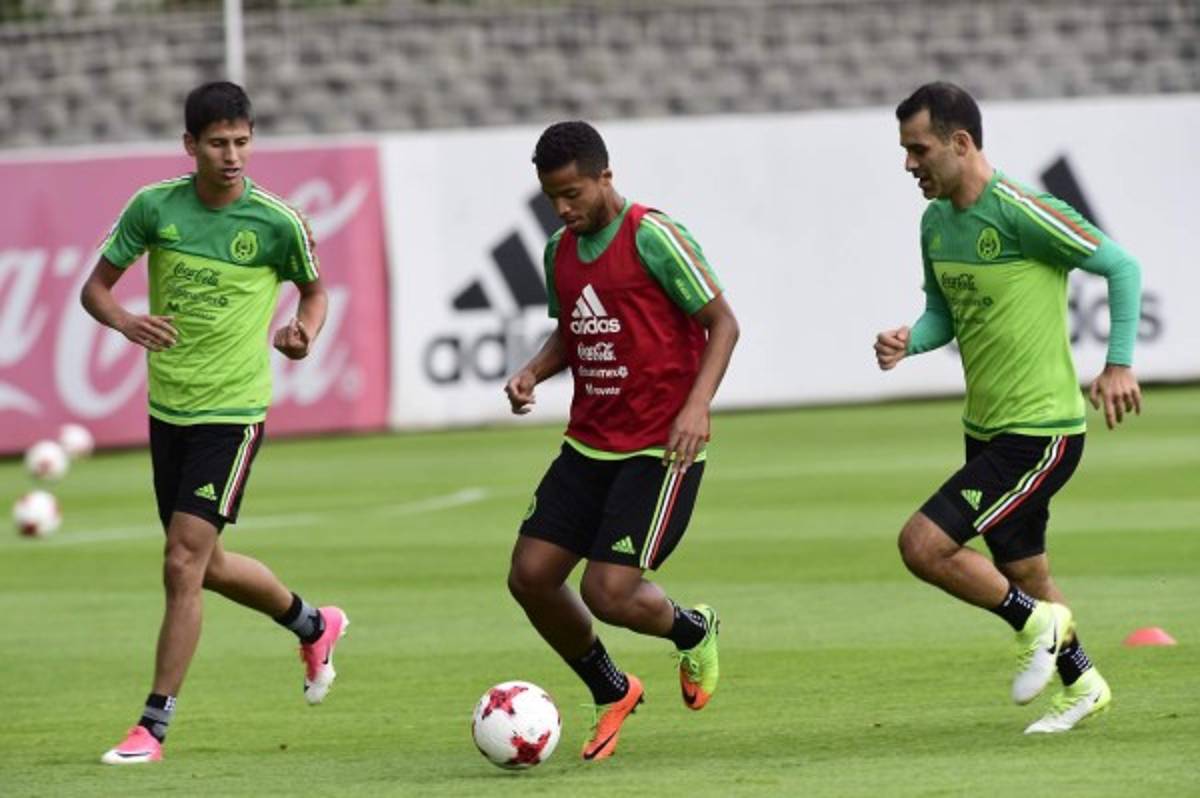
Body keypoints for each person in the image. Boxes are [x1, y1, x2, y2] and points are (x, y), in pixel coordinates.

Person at [81, 81, 348, 765]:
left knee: (180, 563)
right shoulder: (154, 208)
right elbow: (96, 289)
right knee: (208, 566)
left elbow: (314, 290)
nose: (232, 155)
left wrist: (303, 333)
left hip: (232, 412)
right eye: (218, 143)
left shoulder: (277, 223)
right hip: (167, 408)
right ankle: (314, 624)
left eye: (242, 141)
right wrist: (125, 321)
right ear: (190, 146)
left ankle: (153, 726)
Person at [876, 82, 1142, 733]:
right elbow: (944, 315)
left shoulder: (1023, 210)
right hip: (986, 431)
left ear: (961, 144)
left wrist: (1118, 364)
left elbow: (1121, 266)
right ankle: (1084, 685)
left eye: (919, 149)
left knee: (922, 545)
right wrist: (912, 340)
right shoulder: (935, 222)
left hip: (1042, 433)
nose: (909, 164)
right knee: (1023, 570)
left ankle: (1038, 626)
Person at [504, 121, 739, 760]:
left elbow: (723, 324)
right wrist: (532, 370)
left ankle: (692, 630)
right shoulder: (559, 249)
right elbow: (574, 332)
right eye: (552, 196)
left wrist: (697, 407)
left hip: (660, 450)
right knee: (529, 576)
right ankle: (612, 689)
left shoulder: (655, 236)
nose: (563, 208)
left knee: (606, 594)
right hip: (589, 443)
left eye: (573, 193)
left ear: (605, 177)